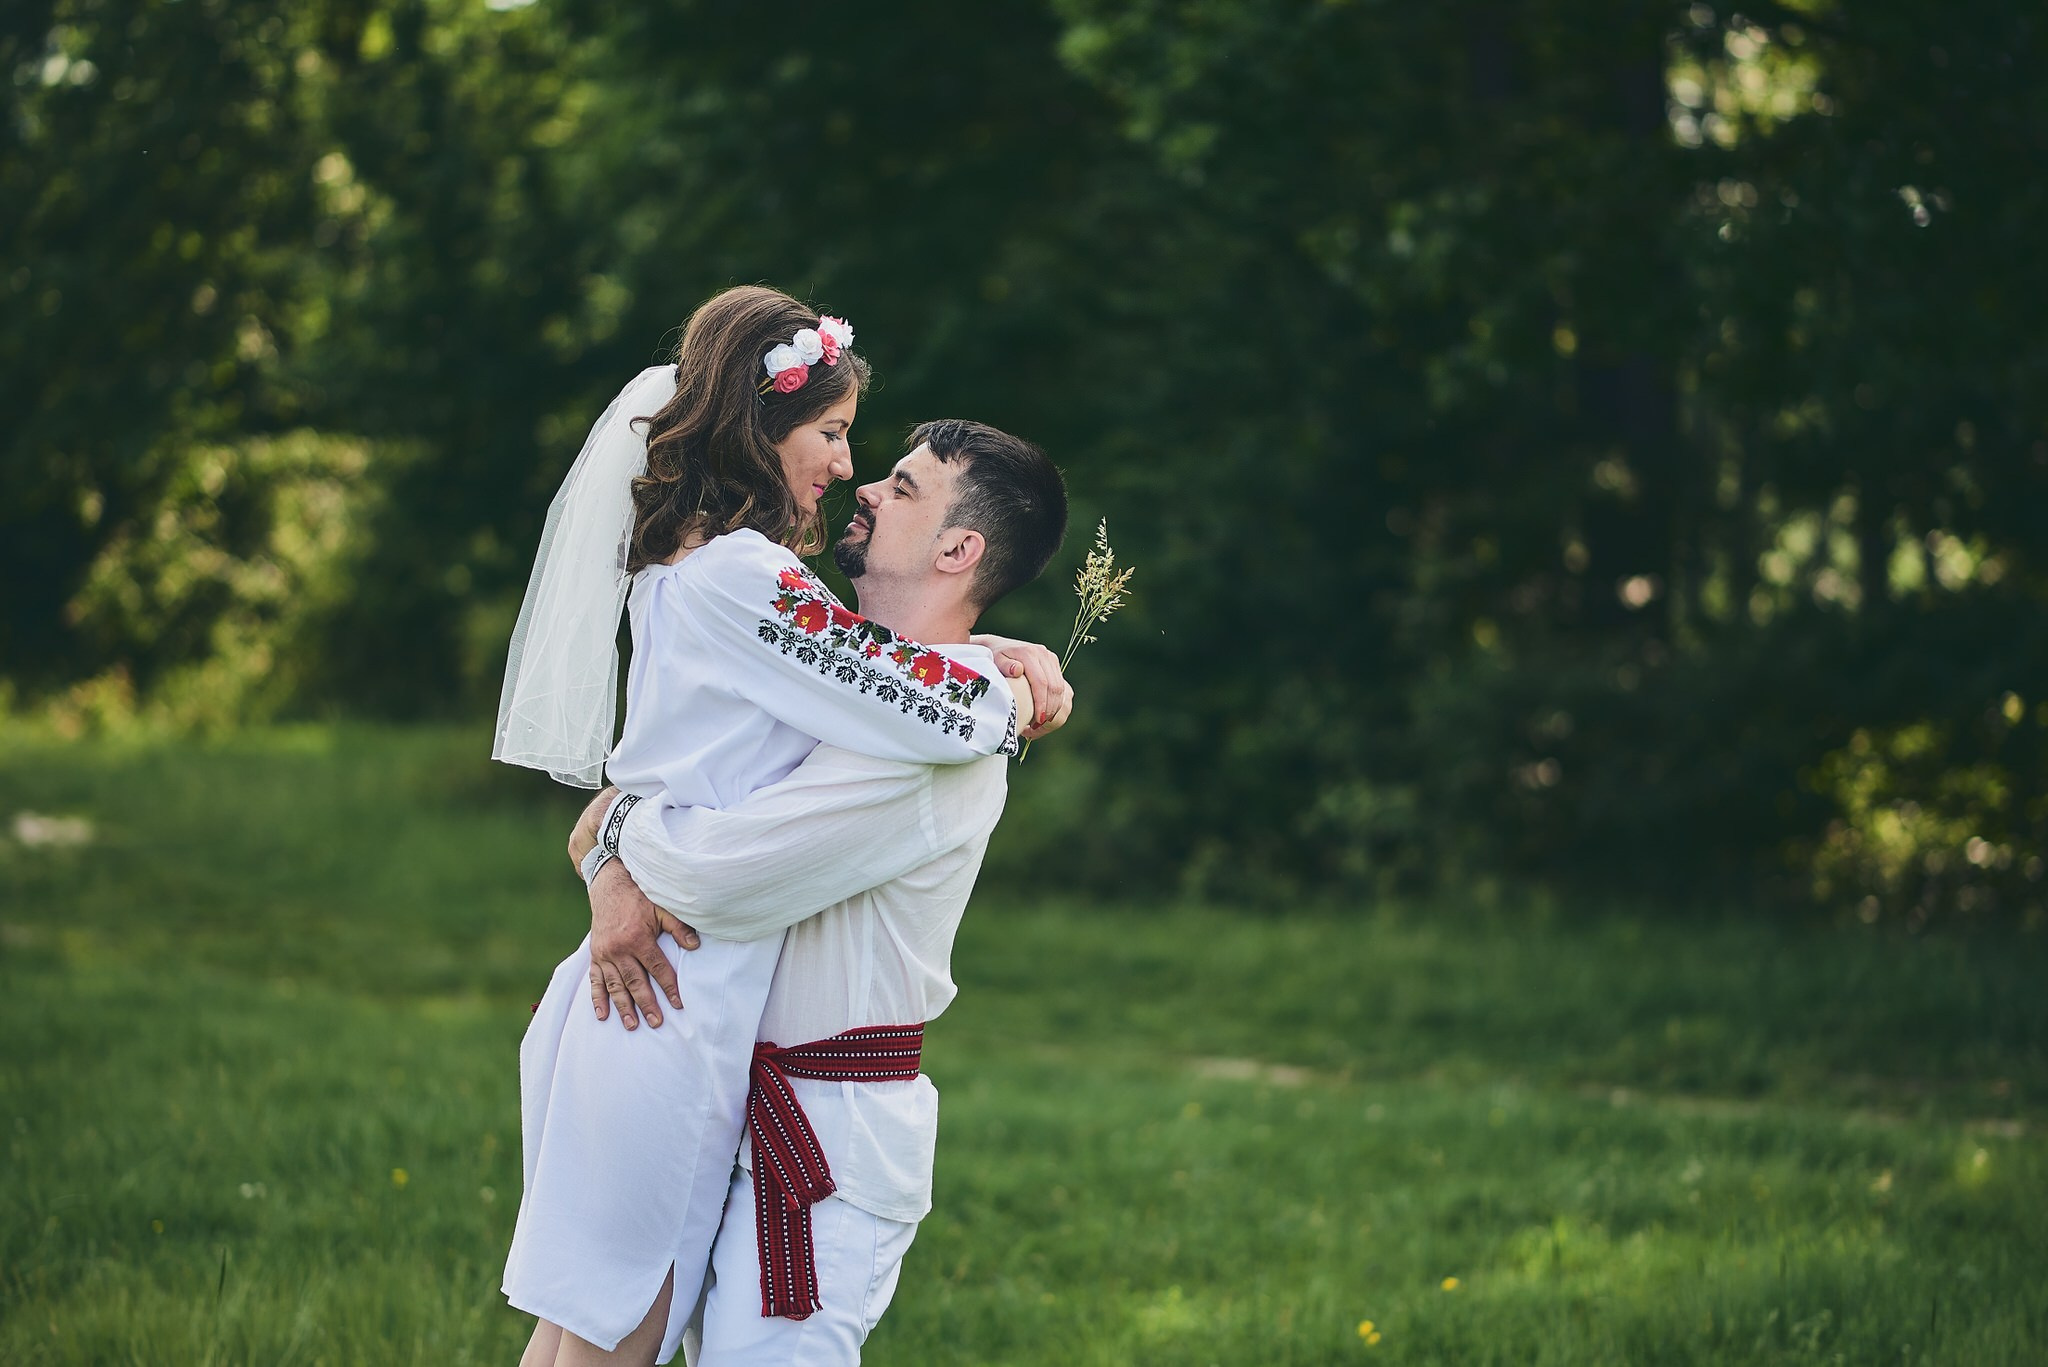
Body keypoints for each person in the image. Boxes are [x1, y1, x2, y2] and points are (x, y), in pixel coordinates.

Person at [492, 287, 1070, 1367]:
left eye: (891, 478)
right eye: (837, 436)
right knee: (610, 1327)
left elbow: (863, 689)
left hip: (756, 1065)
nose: (850, 475)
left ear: (958, 550)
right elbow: (890, 691)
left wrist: (612, 834)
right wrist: (1006, 690)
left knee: (607, 1328)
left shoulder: (757, 603)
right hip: (671, 1005)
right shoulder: (753, 583)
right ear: (764, 433)